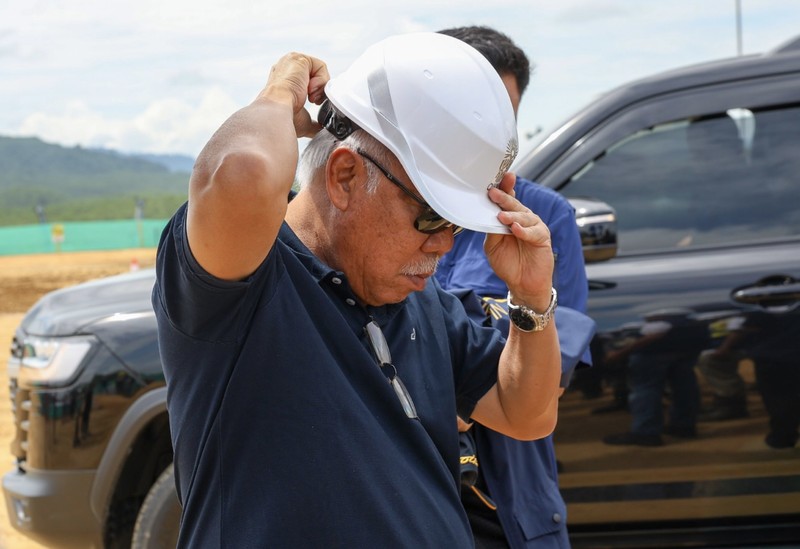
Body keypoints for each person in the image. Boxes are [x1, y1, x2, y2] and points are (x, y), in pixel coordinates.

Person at [152, 32, 562, 547]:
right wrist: (280, 93)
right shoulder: (244, 286)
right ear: (344, 175)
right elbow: (242, 172)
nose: (443, 244)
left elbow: (526, 414)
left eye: (457, 224)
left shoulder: (421, 301)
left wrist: (531, 298)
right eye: (431, 216)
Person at [435, 26, 594, 549]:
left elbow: (547, 382)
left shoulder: (544, 218)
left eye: (505, 117)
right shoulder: (384, 208)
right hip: (408, 491)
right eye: (475, 113)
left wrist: (442, 390)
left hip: (508, 501)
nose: (493, 135)